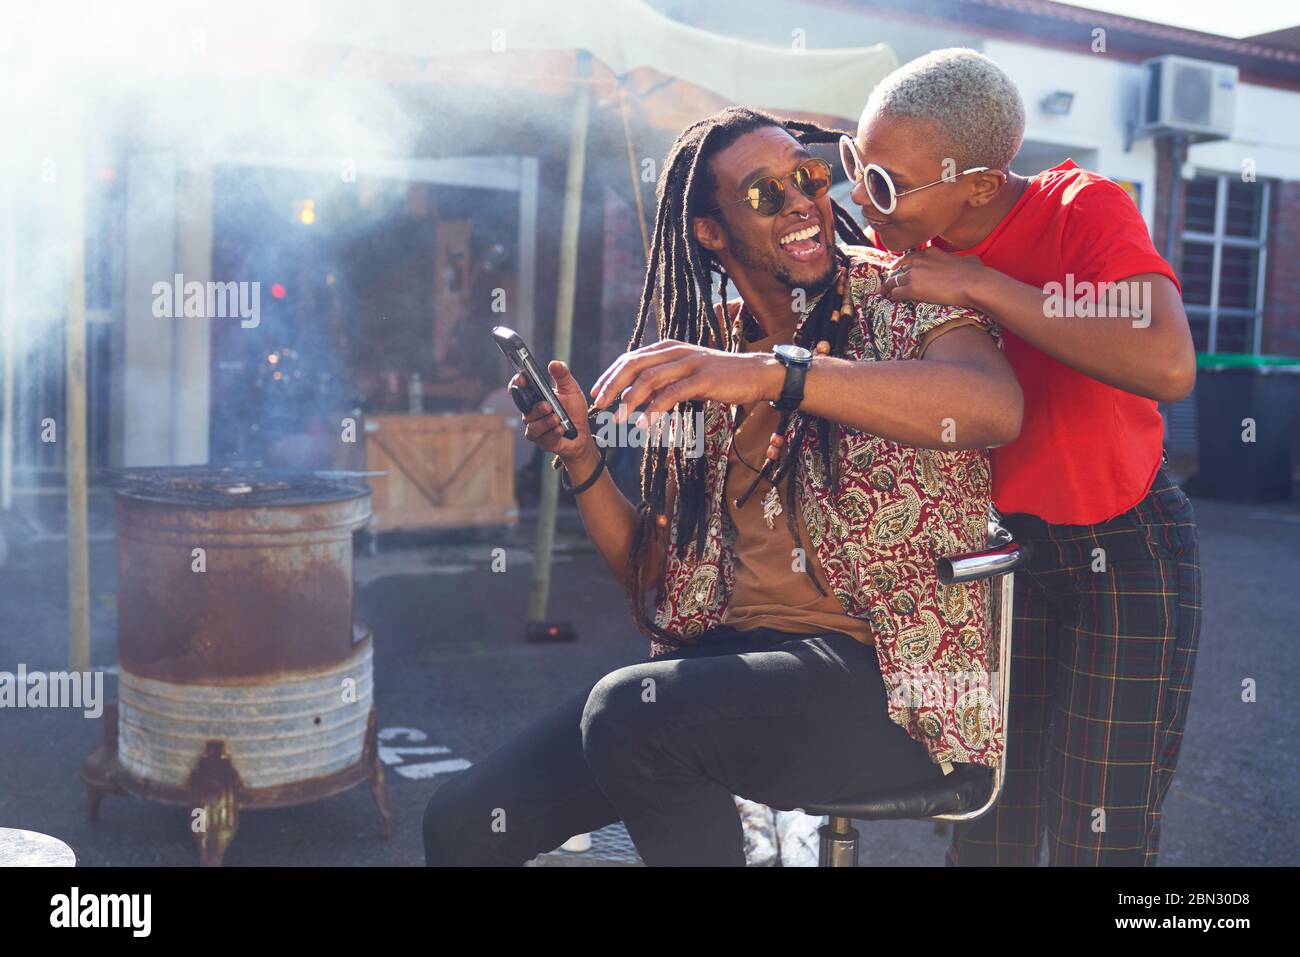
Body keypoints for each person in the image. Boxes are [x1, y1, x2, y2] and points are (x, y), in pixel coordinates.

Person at [421, 105, 1022, 866]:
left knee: (632, 718)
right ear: (710, 231)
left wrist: (778, 373)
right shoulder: (708, 355)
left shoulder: (902, 294)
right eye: (765, 193)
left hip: (895, 681)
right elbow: (656, 584)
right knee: (464, 823)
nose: (803, 200)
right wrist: (582, 461)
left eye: (807, 177)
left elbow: (994, 407)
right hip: (739, 666)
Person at [841, 47, 1200, 866]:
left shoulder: (1082, 206)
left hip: (1125, 549)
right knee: (986, 824)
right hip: (995, 560)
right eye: (857, 165)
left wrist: (980, 285)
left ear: (976, 183)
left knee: (1097, 829)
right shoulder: (896, 246)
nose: (862, 197)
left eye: (887, 183)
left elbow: (1169, 360)